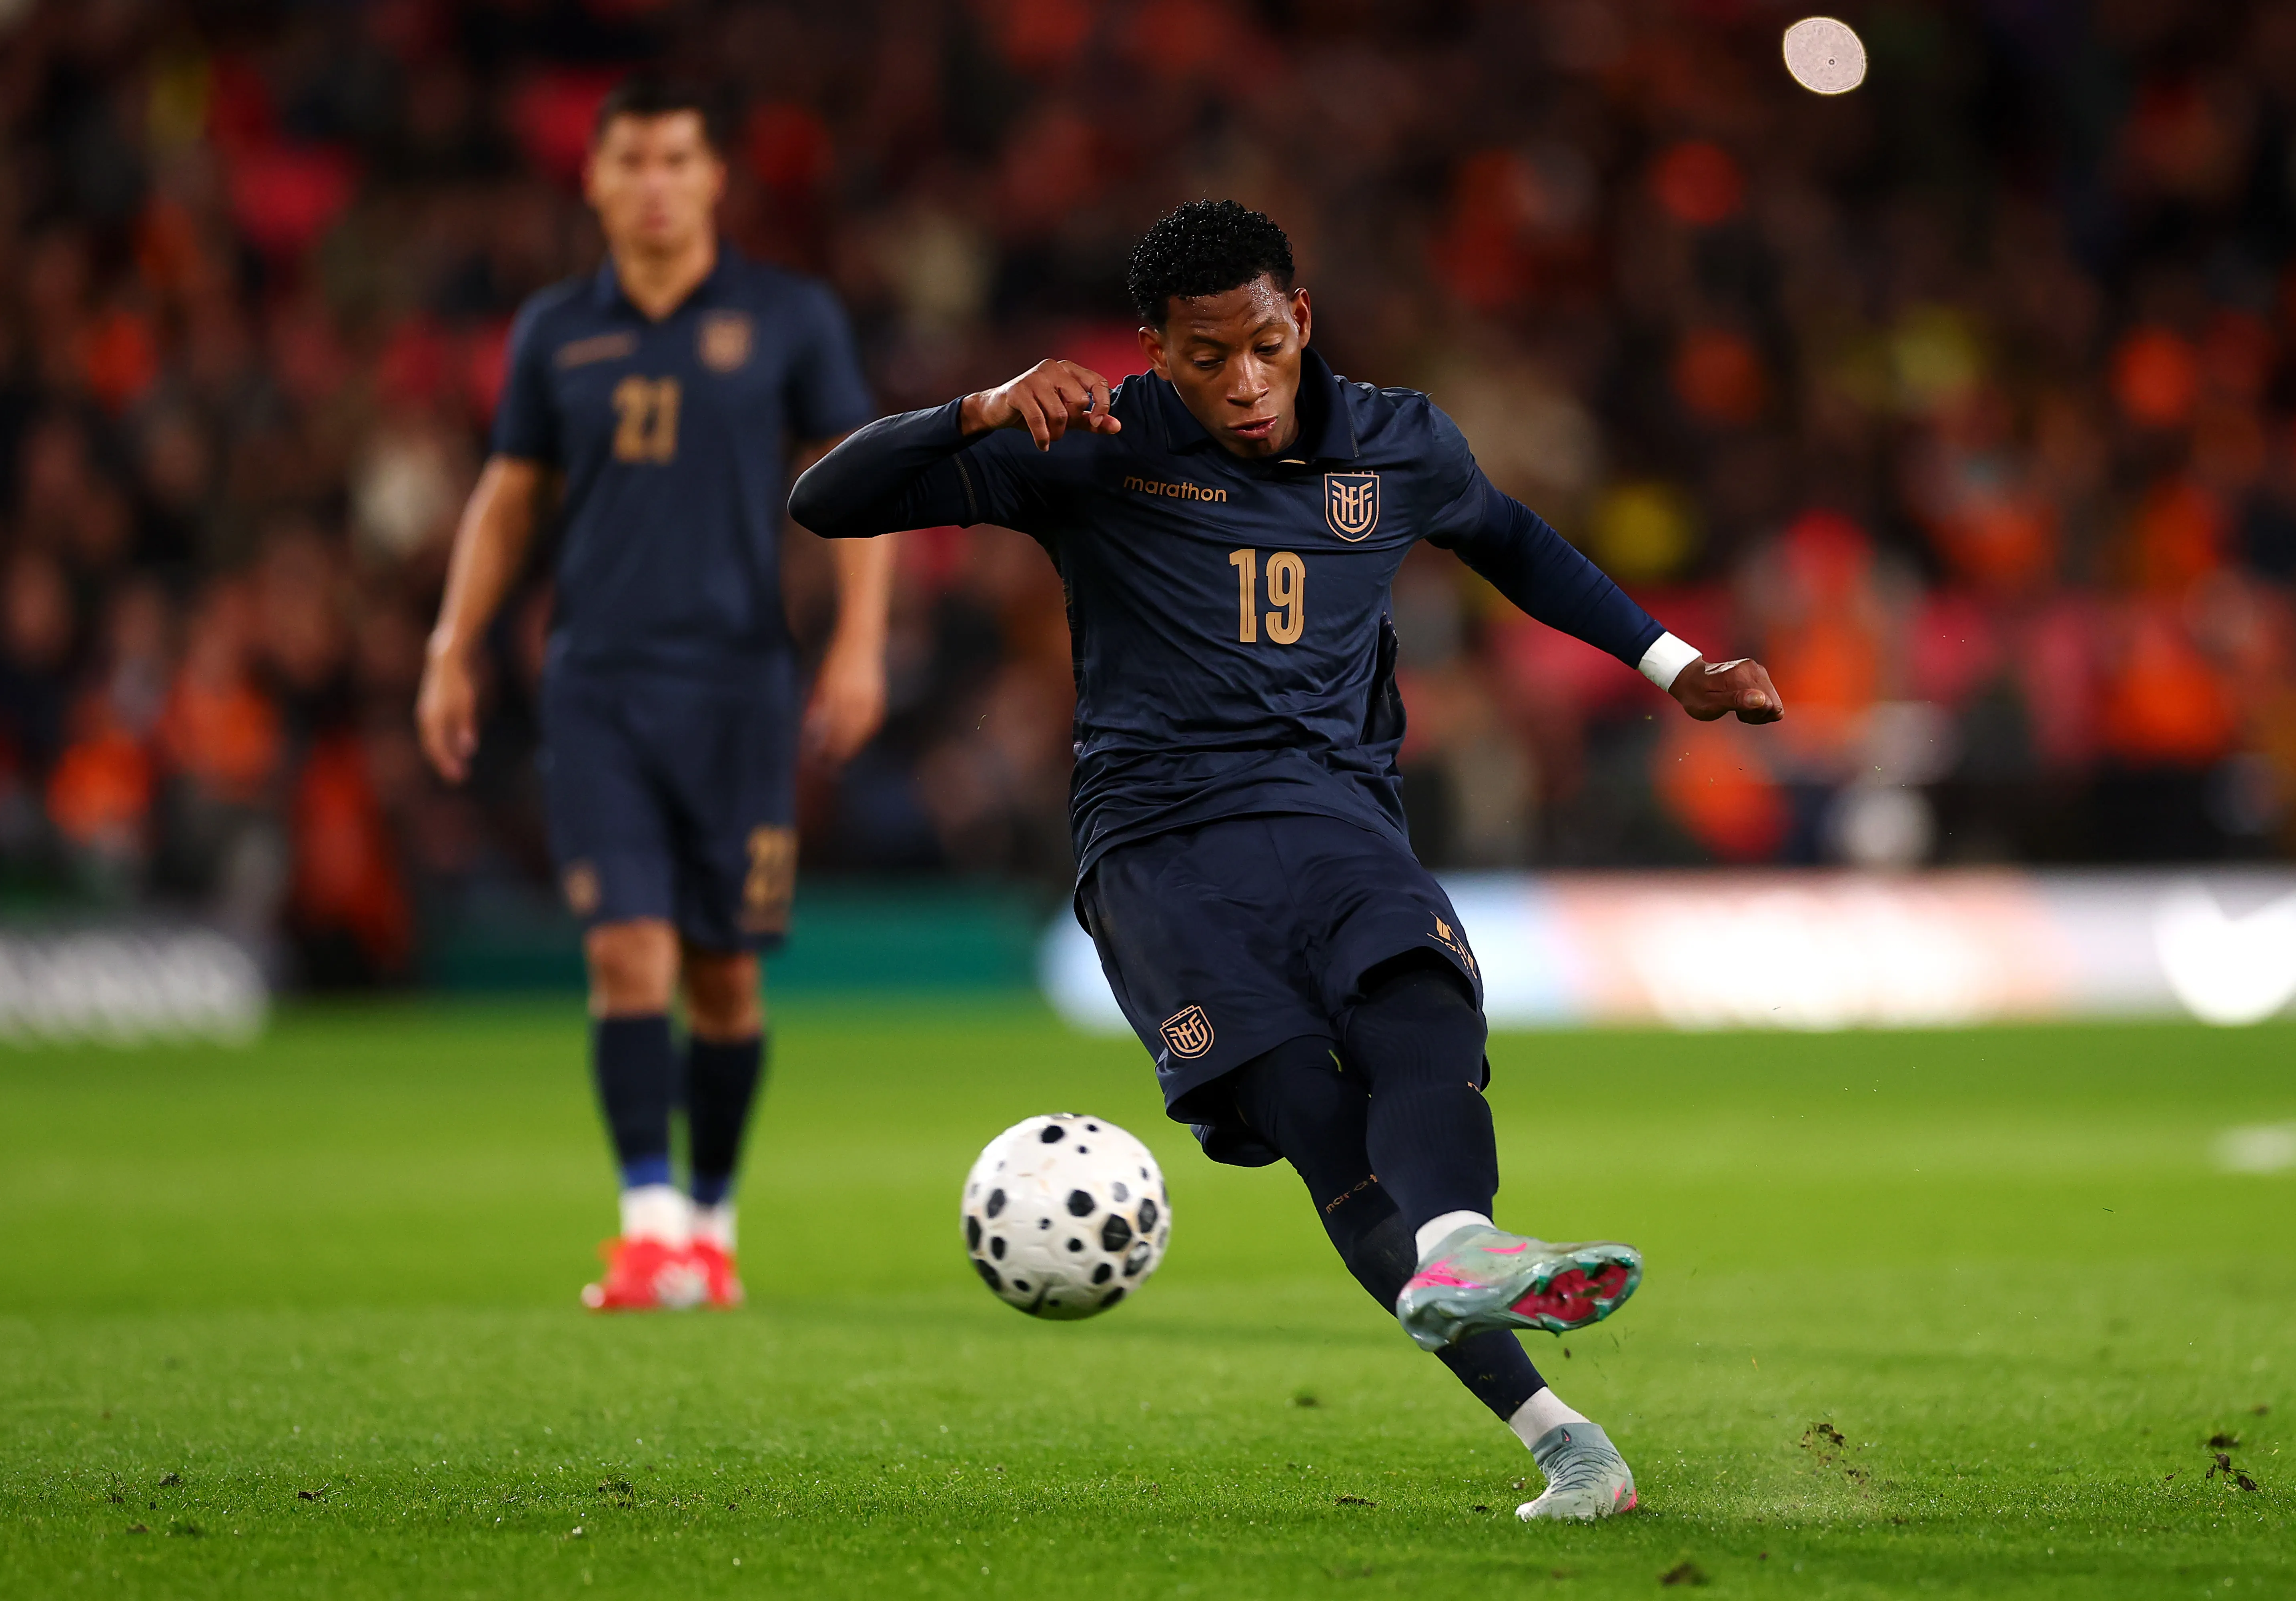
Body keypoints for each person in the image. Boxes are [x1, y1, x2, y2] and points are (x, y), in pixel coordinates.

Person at [790, 201, 1782, 1519]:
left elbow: (1513, 542)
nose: (1245, 383)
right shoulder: (1094, 446)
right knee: (1320, 1126)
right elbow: (825, 502)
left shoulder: (1400, 441)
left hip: (1333, 814)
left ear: (1301, 319)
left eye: (1264, 344)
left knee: (1417, 1002)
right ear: (1155, 351)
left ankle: (1462, 1243)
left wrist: (1678, 668)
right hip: (1155, 853)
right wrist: (978, 406)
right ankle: (1565, 1442)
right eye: (1207, 359)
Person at [417, 80, 890, 1312]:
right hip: (599, 688)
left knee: (725, 976)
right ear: (595, 180)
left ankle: (713, 1227)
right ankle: (646, 1227)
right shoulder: (552, 331)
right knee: (627, 952)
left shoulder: (788, 318)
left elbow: (861, 487)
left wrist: (860, 647)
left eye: (678, 158)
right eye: (630, 160)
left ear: (715, 176)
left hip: (740, 686)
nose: (655, 183)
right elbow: (509, 494)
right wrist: (451, 641)